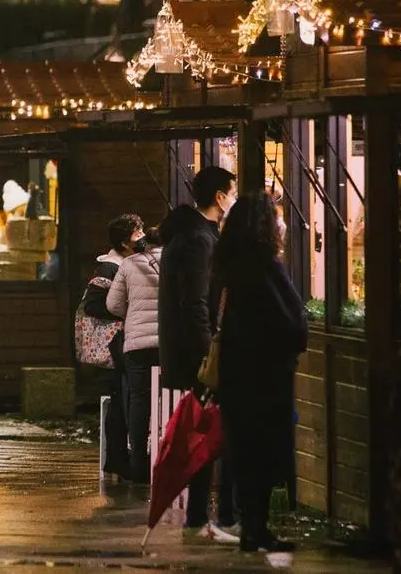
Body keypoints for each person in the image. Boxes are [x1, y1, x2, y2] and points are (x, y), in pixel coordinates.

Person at [213, 190, 306, 553]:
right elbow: (289, 323)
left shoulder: (228, 266)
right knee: (264, 451)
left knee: (245, 451)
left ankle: (251, 525)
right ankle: (256, 527)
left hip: (237, 375)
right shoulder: (266, 267)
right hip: (265, 375)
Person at [158, 165, 239, 542]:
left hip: (196, 353)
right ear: (220, 196)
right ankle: (211, 515)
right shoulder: (198, 240)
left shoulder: (196, 236)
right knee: (213, 433)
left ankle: (202, 514)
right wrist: (212, 356)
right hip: (201, 356)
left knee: (208, 431)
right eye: (232, 191)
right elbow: (195, 304)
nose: (233, 198)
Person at [85, 214, 144, 481]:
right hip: (115, 345)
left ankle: (119, 459)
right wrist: (125, 311)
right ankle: (118, 459)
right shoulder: (110, 267)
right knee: (121, 402)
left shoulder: (125, 263)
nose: (142, 236)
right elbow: (93, 305)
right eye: (136, 232)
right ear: (124, 242)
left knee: (123, 400)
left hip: (124, 342)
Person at [106, 226, 163, 484]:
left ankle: (139, 465)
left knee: (139, 401)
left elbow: (113, 305)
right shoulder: (175, 261)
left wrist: (133, 314)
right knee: (172, 399)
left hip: (138, 345)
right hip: (168, 344)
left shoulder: (128, 264)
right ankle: (168, 461)